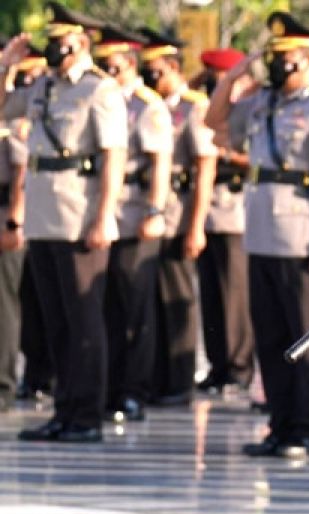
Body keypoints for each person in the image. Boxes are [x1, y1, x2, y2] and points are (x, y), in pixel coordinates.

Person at [205, 11, 309, 461]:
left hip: (302, 236)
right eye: (271, 56)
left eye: (282, 56)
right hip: (262, 233)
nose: (273, 64)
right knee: (269, 337)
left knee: (303, 334)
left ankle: (308, 427)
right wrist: (232, 77)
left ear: (305, 60)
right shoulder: (262, 102)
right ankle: (280, 423)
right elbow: (213, 124)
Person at [1, 3, 128, 444]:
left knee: (83, 320)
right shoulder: (42, 86)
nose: (52, 48)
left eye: (60, 40)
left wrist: (104, 216)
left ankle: (87, 415)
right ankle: (64, 409)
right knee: (55, 321)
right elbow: (3, 110)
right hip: (41, 215)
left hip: (79, 215)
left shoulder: (100, 90)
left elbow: (113, 156)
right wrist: (6, 67)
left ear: (80, 42)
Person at [93, 26, 172, 425]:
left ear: (126, 61)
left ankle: (134, 390)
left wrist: (156, 211)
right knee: (106, 308)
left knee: (135, 310)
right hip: (103, 215)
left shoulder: (147, 105)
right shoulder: (99, 97)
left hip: (135, 212)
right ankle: (109, 386)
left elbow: (160, 163)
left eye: (108, 60)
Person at [140, 29, 218, 408]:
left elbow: (205, 170)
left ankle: (180, 379)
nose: (148, 79)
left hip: (178, 212)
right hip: (149, 212)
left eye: (154, 72)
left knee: (177, 298)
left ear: (172, 68)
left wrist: (196, 225)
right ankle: (155, 378)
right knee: (150, 300)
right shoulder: (147, 105)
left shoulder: (194, 107)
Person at [195, 48, 254, 396]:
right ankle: (219, 365)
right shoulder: (214, 105)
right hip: (211, 211)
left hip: (235, 210)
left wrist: (229, 155)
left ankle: (239, 366)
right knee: (212, 296)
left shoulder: (254, 105)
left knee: (235, 296)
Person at [8, 48, 53, 403]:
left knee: (34, 306)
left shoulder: (39, 112)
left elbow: (22, 168)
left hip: (26, 215)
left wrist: (15, 216)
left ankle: (38, 375)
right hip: (34, 217)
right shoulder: (29, 103)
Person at [0, 80, 27, 413]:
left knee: (4, 308)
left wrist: (15, 223)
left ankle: (3, 384)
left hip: (3, 220)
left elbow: (21, 175)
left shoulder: (10, 126)